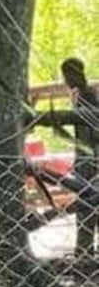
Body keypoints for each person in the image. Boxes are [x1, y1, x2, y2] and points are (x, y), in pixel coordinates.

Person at [61, 57, 99, 257]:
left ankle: (84, 250)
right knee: (88, 202)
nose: (65, 80)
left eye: (66, 75)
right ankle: (84, 248)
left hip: (90, 159)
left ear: (73, 74)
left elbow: (92, 131)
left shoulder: (88, 96)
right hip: (85, 158)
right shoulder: (81, 94)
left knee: (88, 203)